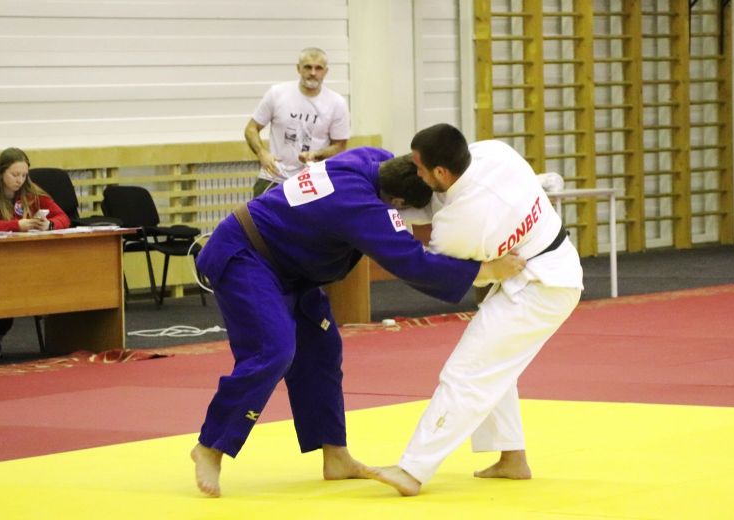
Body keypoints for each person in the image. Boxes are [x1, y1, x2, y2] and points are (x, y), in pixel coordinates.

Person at [190, 146, 527, 497]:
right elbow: (414, 264)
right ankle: (210, 447)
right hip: (246, 255)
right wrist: (485, 270)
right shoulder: (360, 207)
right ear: (396, 201)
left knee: (322, 349)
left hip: (291, 264)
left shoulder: (374, 159)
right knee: (273, 351)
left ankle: (335, 455)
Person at [365, 124, 584, 496]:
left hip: (541, 287)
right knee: (496, 367)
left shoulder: (464, 224)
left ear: (440, 171)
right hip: (551, 269)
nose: (415, 173)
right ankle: (512, 458)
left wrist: (384, 218)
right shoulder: (494, 152)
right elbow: (440, 201)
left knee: (466, 372)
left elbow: (447, 269)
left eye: (419, 168)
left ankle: (413, 470)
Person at [0, 147, 70, 360]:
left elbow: (63, 217)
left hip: (22, 260)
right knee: (6, 287)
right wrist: (16, 225)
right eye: (15, 174)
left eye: (24, 175)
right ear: (0, 172)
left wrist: (49, 225)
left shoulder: (31, 192)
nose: (20, 180)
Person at [244, 47, 350, 197]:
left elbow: (340, 146)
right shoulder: (277, 93)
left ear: (325, 71)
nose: (313, 73)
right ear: (298, 68)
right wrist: (262, 154)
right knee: (259, 212)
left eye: (318, 68)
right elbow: (251, 129)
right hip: (275, 177)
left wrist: (316, 154)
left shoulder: (337, 103)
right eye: (308, 67)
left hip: (313, 181)